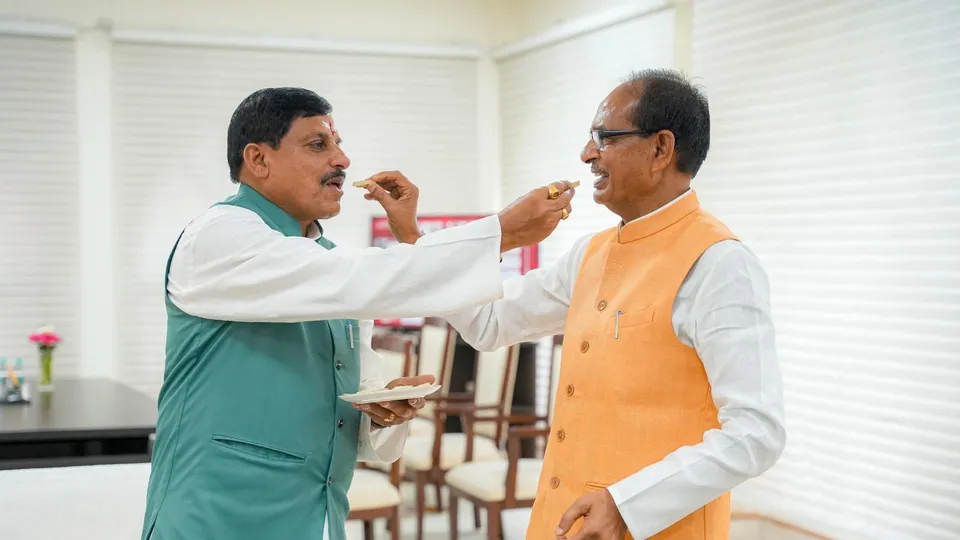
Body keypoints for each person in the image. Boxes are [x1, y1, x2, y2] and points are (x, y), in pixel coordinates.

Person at [140, 87, 576, 540]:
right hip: (217, 519)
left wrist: (380, 410)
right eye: (318, 144)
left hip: (316, 518)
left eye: (339, 144)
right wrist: (499, 232)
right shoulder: (220, 237)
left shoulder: (329, 262)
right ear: (258, 159)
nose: (343, 160)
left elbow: (357, 408)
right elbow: (365, 279)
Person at [442, 69, 787, 539]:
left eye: (605, 138)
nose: (587, 154)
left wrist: (628, 504)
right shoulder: (590, 253)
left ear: (661, 149)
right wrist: (428, 249)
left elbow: (756, 433)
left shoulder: (720, 263)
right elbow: (488, 323)